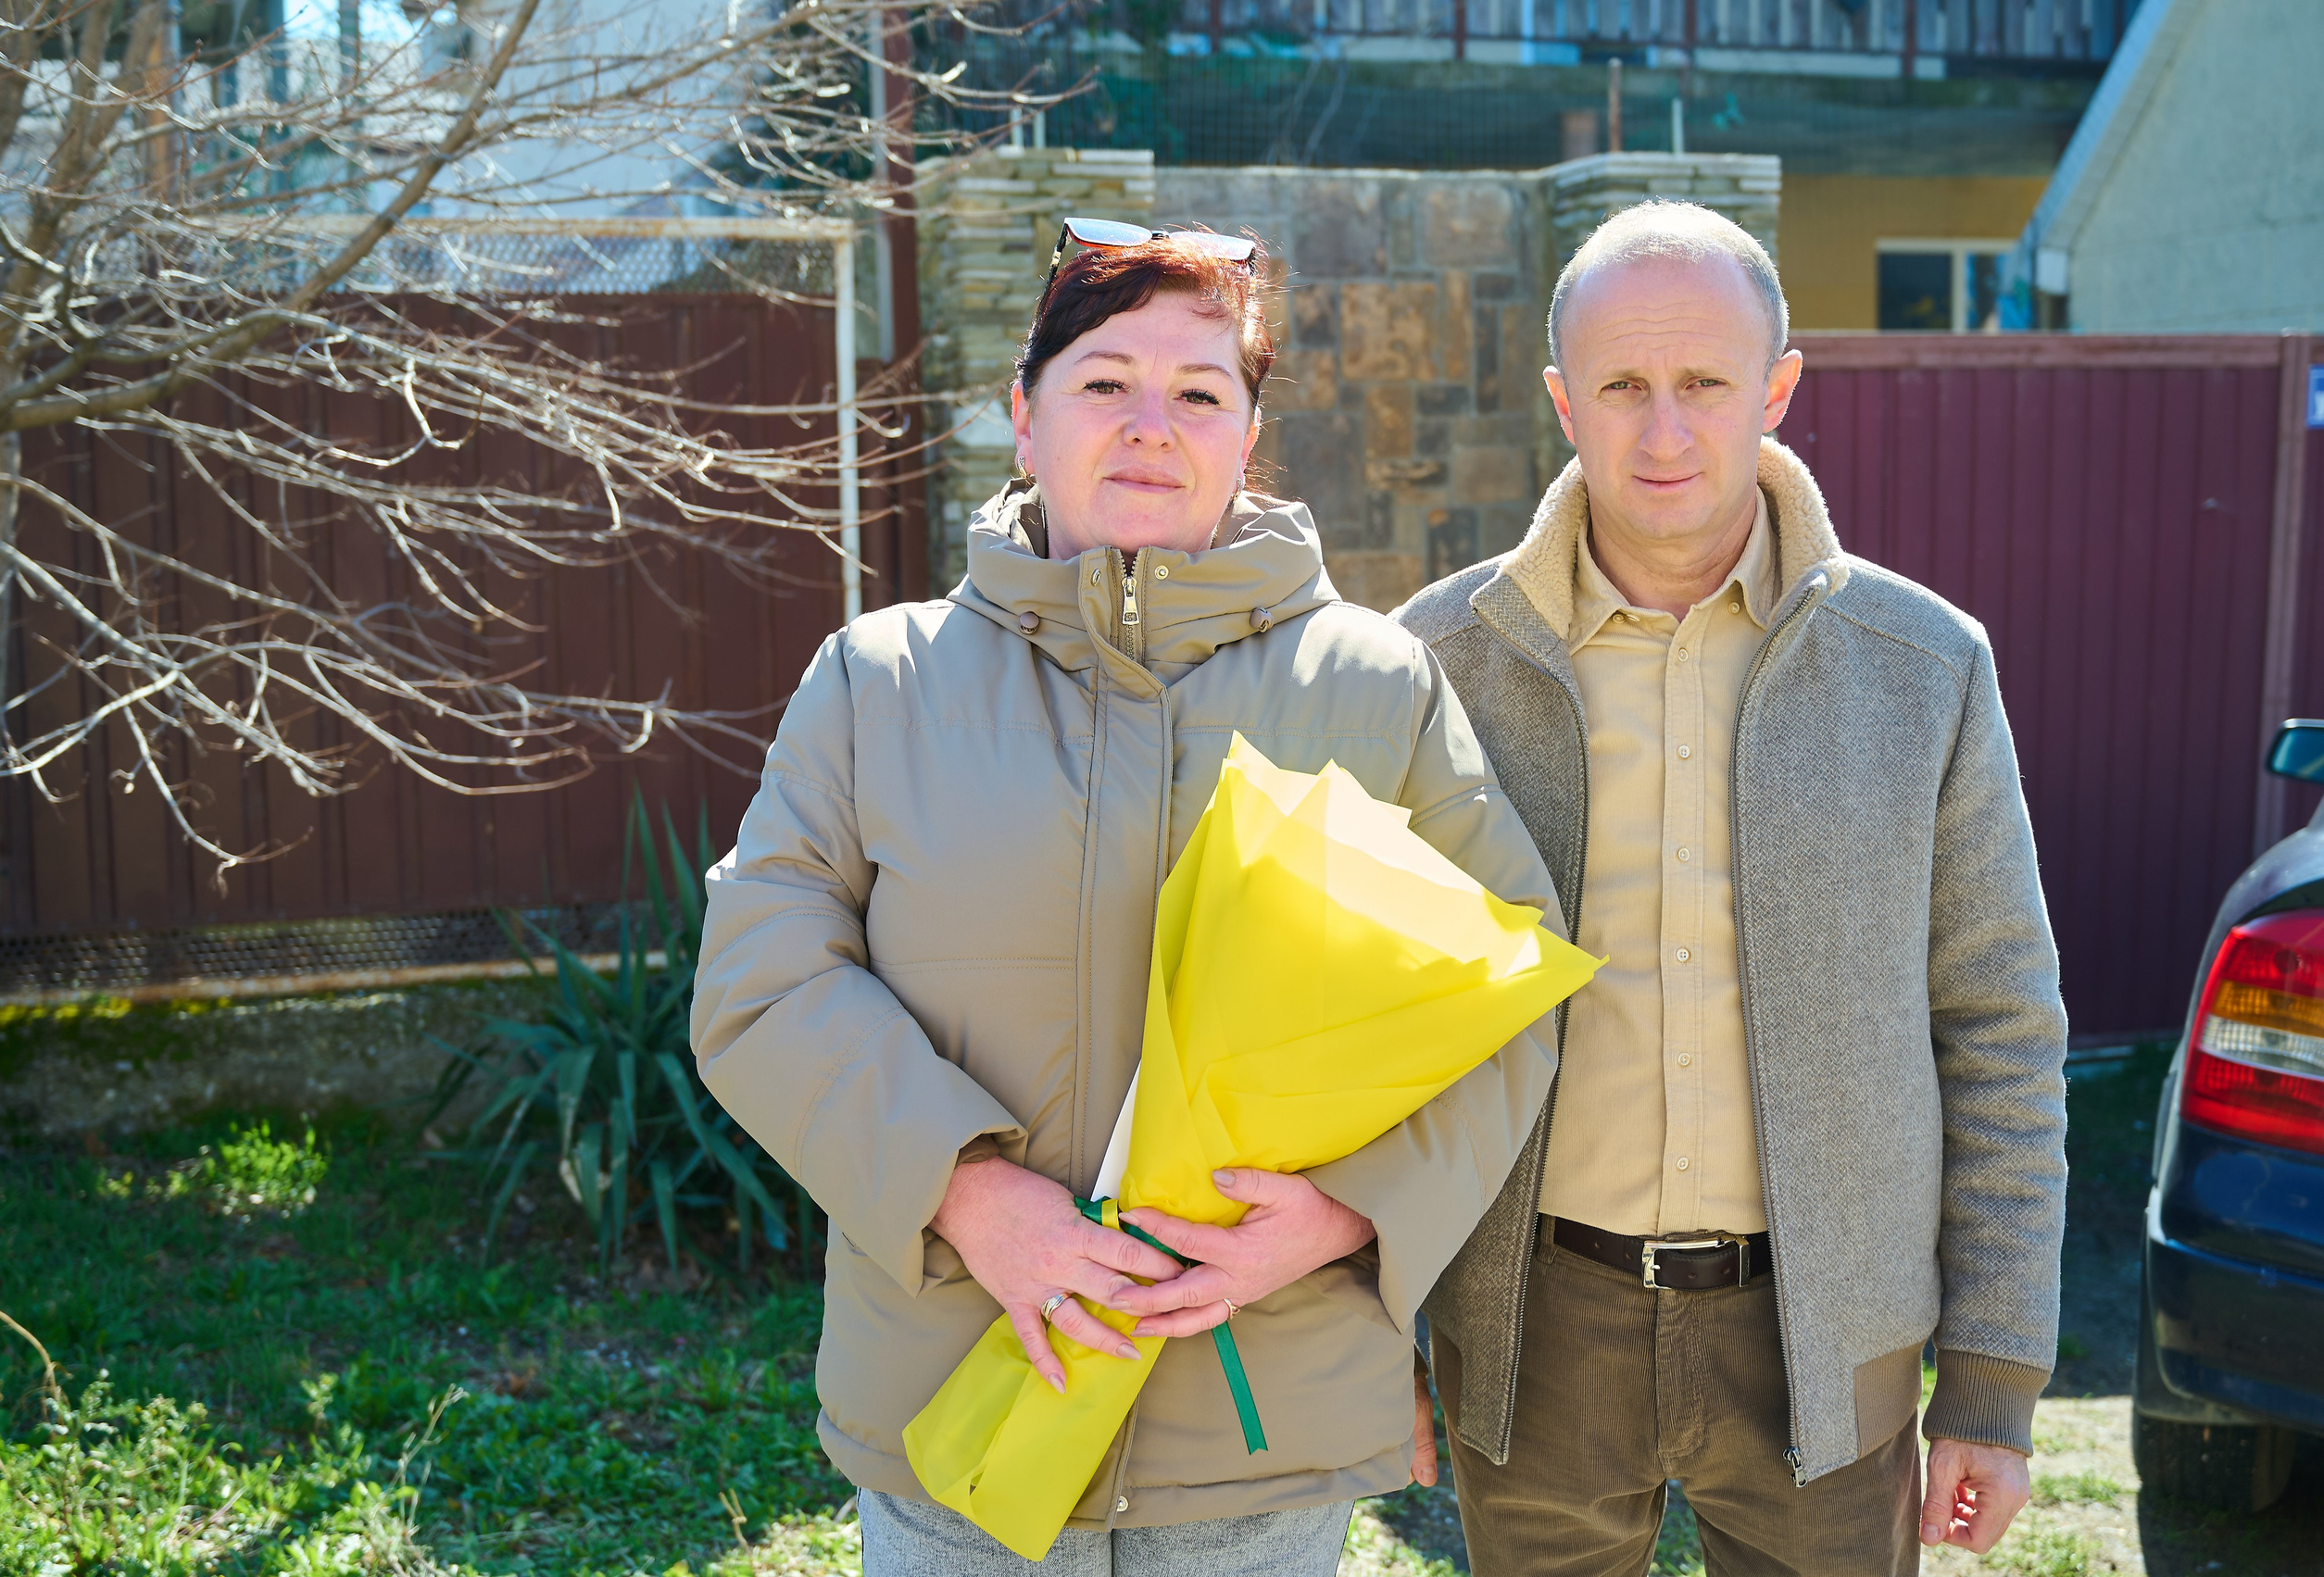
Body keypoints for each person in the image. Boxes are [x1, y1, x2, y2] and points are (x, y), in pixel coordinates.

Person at [689, 220, 1563, 1576]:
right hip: (955, 1406)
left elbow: (1515, 994)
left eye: (1200, 392)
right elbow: (761, 979)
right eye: (1104, 382)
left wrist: (1345, 1213)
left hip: (1257, 1429)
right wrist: (969, 1195)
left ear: (1248, 433)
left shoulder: (1376, 688)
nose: (1152, 425)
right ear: (1024, 418)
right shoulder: (879, 683)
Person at [1394, 199, 2068, 1575]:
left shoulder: (1923, 664)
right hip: (1533, 1337)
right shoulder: (1435, 665)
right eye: (1623, 387)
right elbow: (1367, 1032)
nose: (1664, 432)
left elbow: (2000, 1024)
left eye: (1705, 384)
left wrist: (1992, 1379)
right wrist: (1375, 1336)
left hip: (1826, 1347)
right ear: (1561, 402)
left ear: (1776, 387)